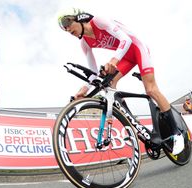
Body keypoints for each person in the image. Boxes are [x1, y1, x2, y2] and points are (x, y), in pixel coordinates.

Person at [58, 8, 184, 154]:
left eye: (67, 23)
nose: (67, 29)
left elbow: (127, 40)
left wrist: (114, 59)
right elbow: (93, 73)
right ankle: (134, 125)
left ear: (79, 17)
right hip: (125, 57)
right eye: (64, 29)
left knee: (151, 89)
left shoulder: (98, 21)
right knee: (110, 85)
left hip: (137, 48)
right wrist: (85, 89)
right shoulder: (85, 44)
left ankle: (177, 133)